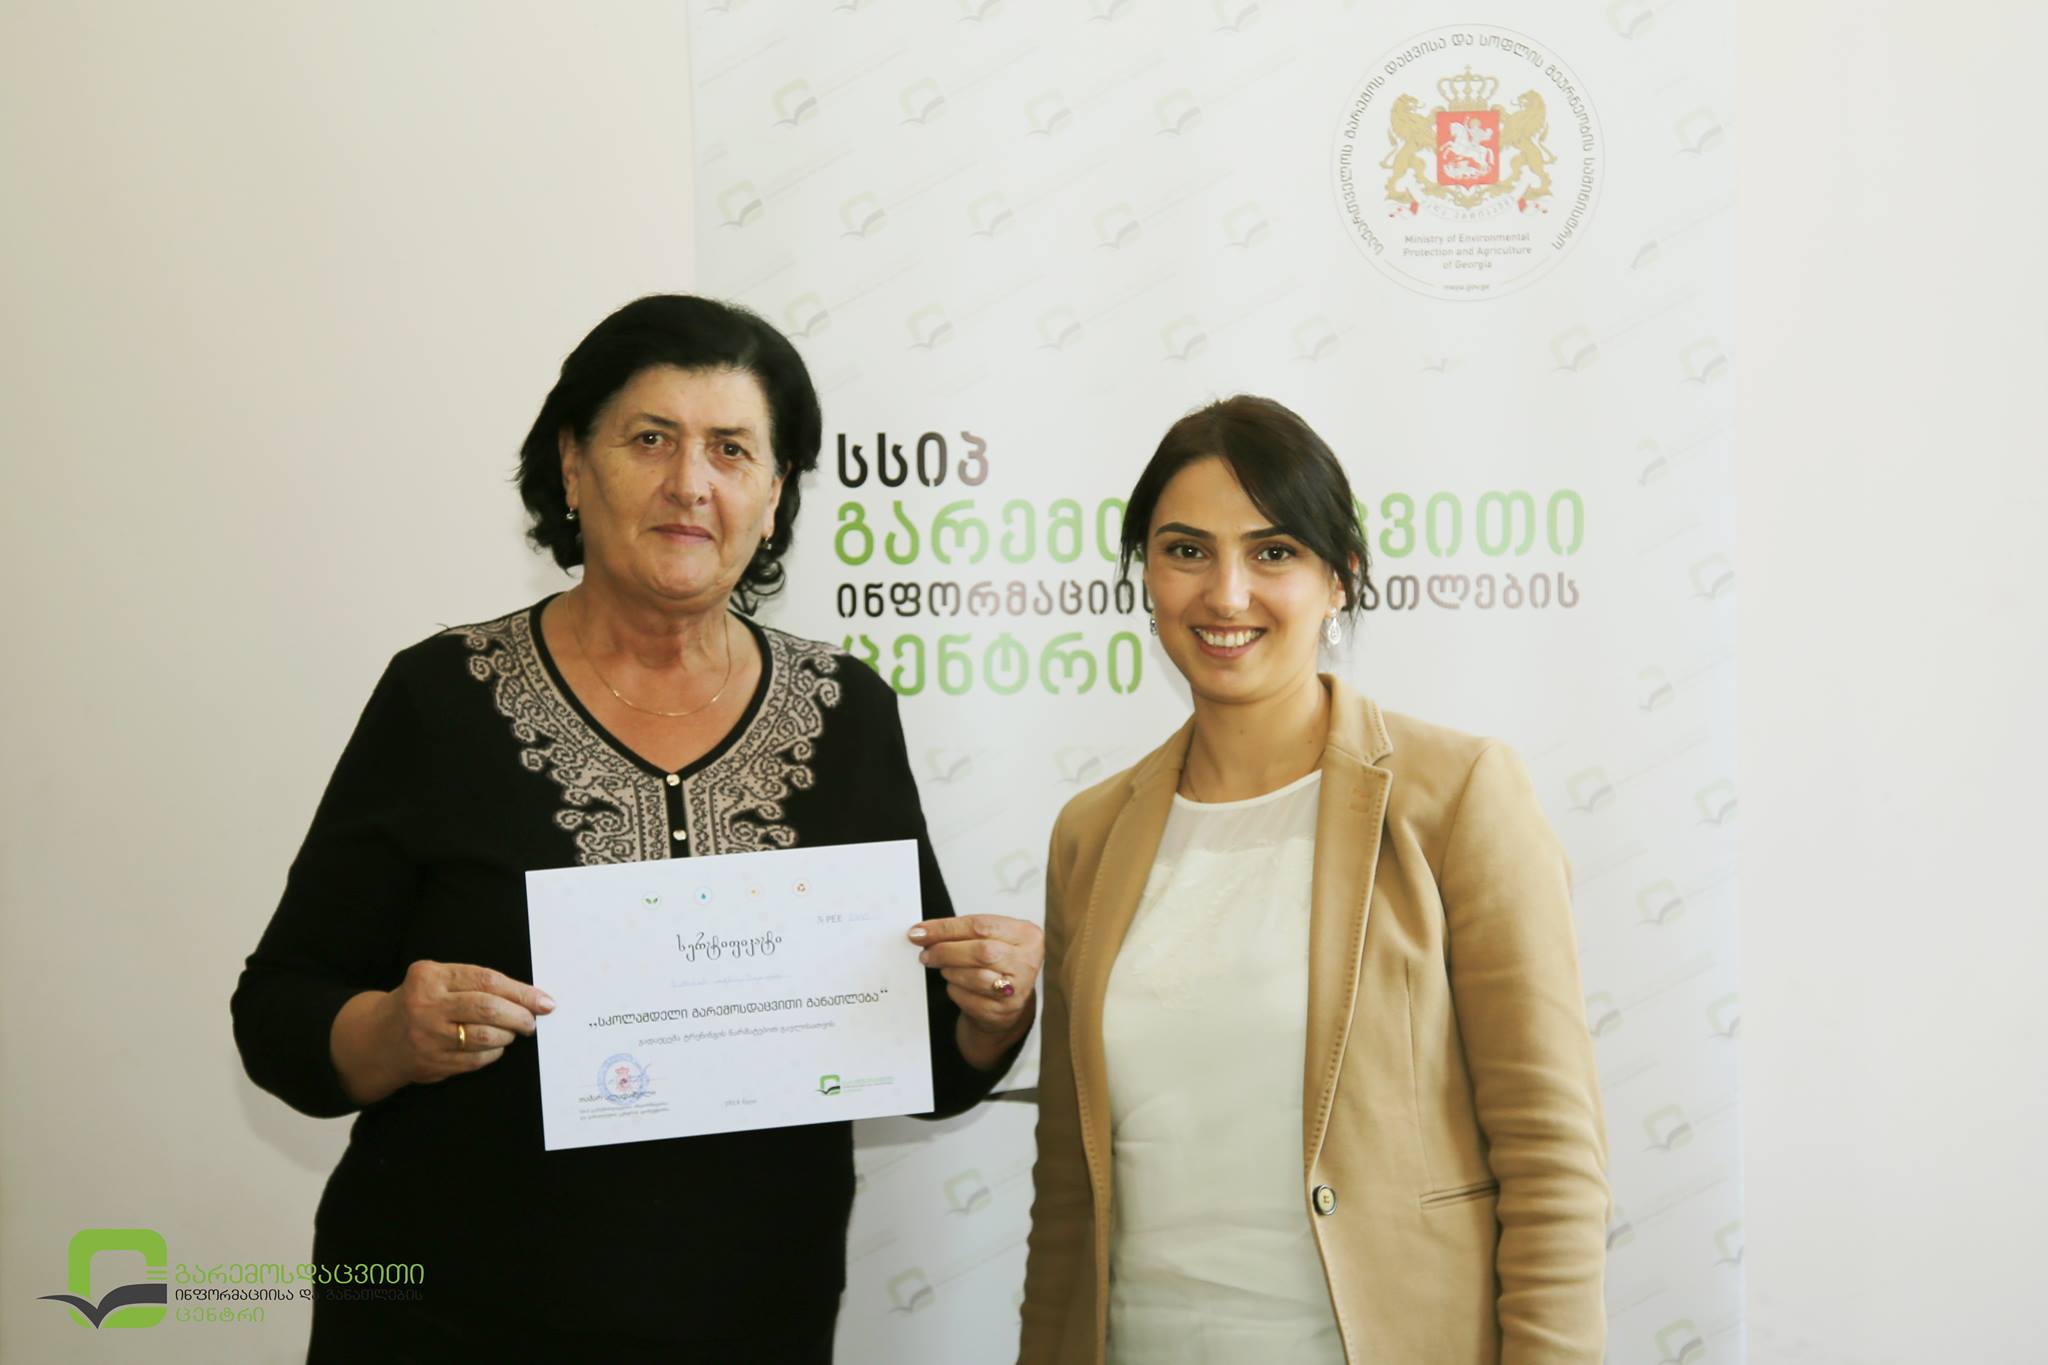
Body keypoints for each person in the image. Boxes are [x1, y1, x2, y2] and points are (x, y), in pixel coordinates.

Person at [231, 294, 1042, 1363]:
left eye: (731, 449)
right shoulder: (442, 700)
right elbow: (278, 1013)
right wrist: (392, 1033)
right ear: (573, 466)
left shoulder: (846, 712)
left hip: (750, 1321)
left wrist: (992, 1012)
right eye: (650, 439)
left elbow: (917, 1052)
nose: (690, 482)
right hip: (445, 1319)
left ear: (773, 495)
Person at [1018, 396, 1607, 1364]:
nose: (1227, 593)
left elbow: (1551, 1159)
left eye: (1274, 551)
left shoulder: (1457, 795)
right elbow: (1066, 1196)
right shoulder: (1090, 835)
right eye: (1186, 550)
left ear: (1341, 579)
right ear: (1144, 575)